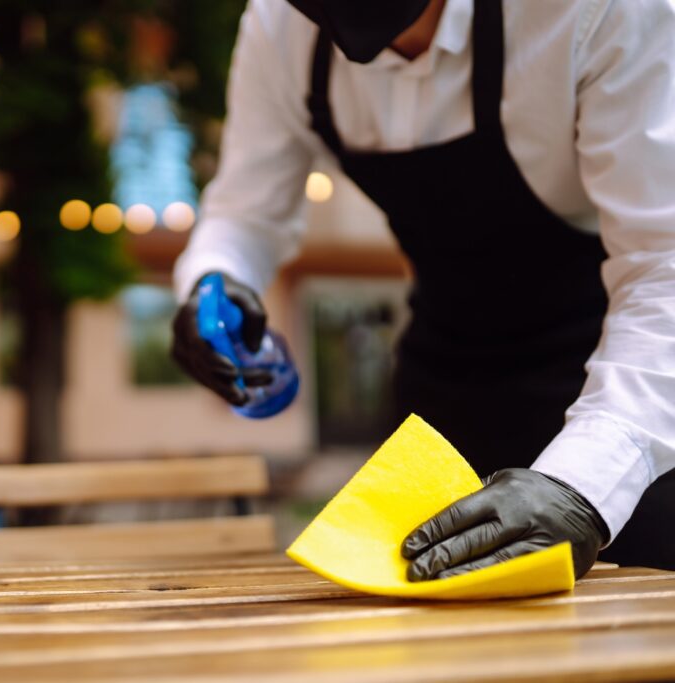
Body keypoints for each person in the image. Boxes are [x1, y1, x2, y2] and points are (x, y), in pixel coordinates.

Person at [170, 0, 675, 578]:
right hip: (441, 399)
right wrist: (214, 282)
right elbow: (245, 212)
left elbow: (665, 263)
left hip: (626, 398)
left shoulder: (599, 10)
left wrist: (584, 484)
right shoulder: (280, 25)